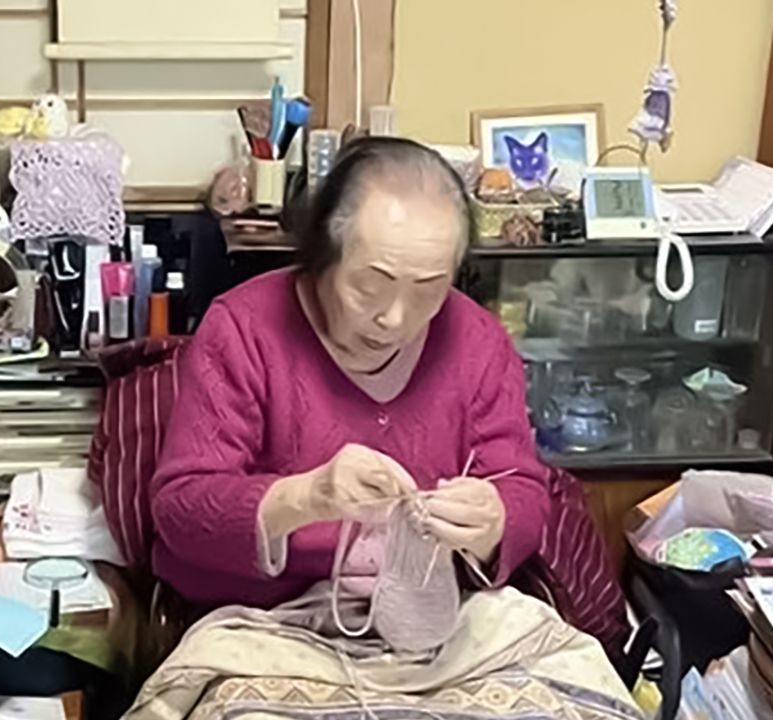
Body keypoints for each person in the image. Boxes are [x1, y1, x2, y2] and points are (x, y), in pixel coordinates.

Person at [149, 137, 551, 611]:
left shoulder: (478, 340)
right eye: (369, 286)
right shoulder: (243, 329)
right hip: (268, 614)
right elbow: (181, 509)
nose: (394, 319)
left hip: (436, 610)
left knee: (571, 658)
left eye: (428, 289)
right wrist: (306, 496)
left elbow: (524, 491)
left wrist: (495, 521)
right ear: (326, 254)